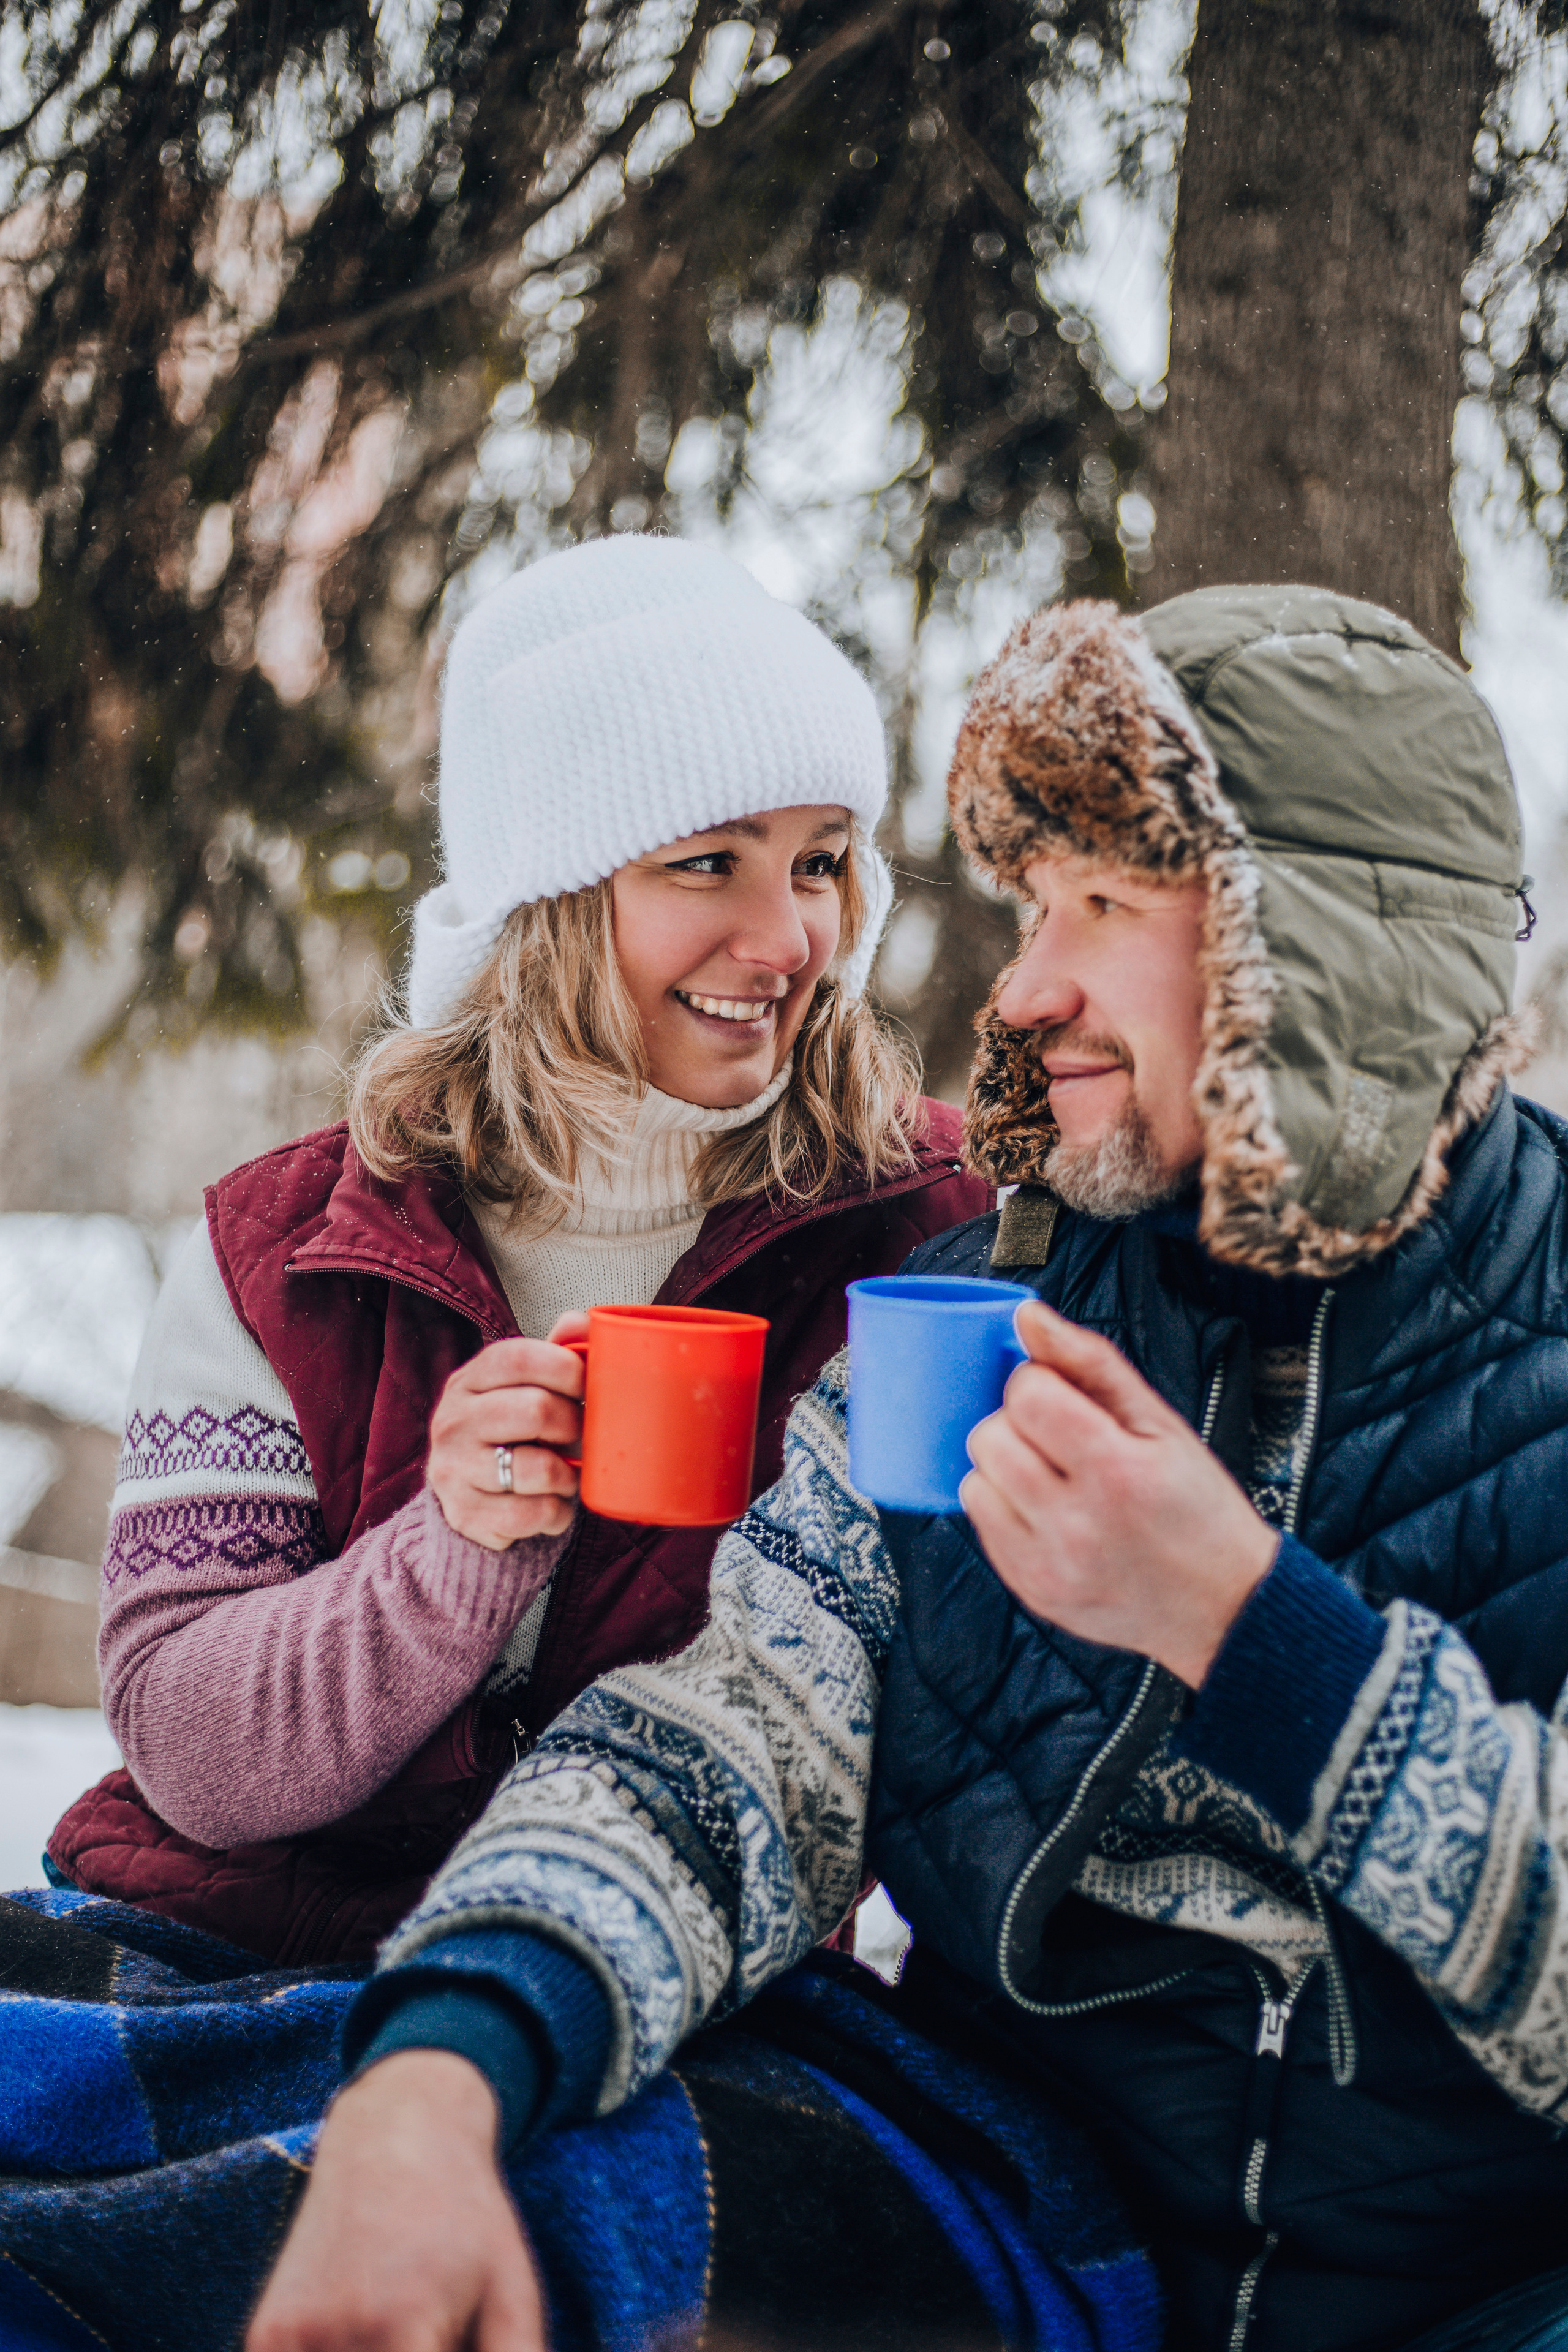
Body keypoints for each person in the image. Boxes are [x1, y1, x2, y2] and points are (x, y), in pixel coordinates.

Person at [252, 585, 1568, 2352]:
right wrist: (443, 2067)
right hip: (1027, 2216)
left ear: (1324, 950)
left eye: (1103, 903)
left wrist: (1255, 1640)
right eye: (1033, 905)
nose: (1024, 988)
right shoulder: (971, 1323)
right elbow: (730, 1749)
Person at [45, 533, 986, 1967]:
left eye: (816, 862)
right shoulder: (286, 1251)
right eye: (704, 863)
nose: (787, 936)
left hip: (675, 1992)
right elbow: (191, 1754)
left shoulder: (925, 1235)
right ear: (544, 906)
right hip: (246, 1949)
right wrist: (449, 1549)